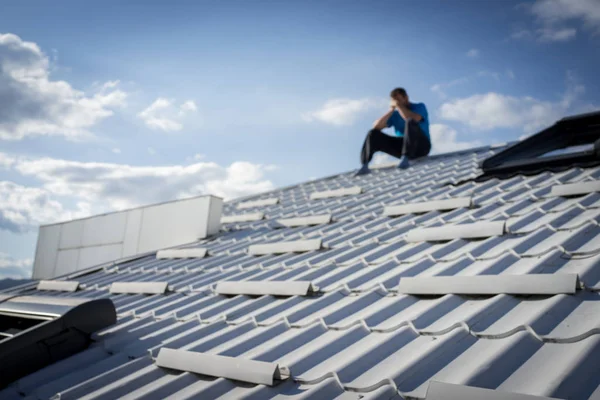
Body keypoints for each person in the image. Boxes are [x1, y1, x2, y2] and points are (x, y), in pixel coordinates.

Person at [356, 87, 431, 175]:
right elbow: (376, 126)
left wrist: (399, 106)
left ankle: (406, 157)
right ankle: (365, 165)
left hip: (421, 146)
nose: (397, 102)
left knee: (410, 122)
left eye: (398, 99)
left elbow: (410, 118)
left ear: (406, 98)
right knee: (373, 133)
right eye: (395, 101)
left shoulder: (419, 106)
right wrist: (391, 110)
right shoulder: (395, 114)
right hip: (402, 146)